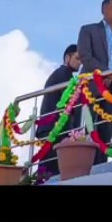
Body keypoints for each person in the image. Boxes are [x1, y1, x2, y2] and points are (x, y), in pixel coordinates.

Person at [77, 0, 112, 164]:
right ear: (103, 10)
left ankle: (100, 164)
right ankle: (83, 163)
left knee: (107, 129)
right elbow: (85, 56)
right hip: (91, 86)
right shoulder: (88, 30)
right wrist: (107, 72)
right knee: (86, 126)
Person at [36, 45, 83, 179]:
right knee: (52, 169)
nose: (80, 63)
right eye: (77, 58)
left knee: (47, 167)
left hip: (50, 126)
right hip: (55, 127)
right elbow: (70, 100)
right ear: (67, 58)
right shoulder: (64, 74)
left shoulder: (60, 74)